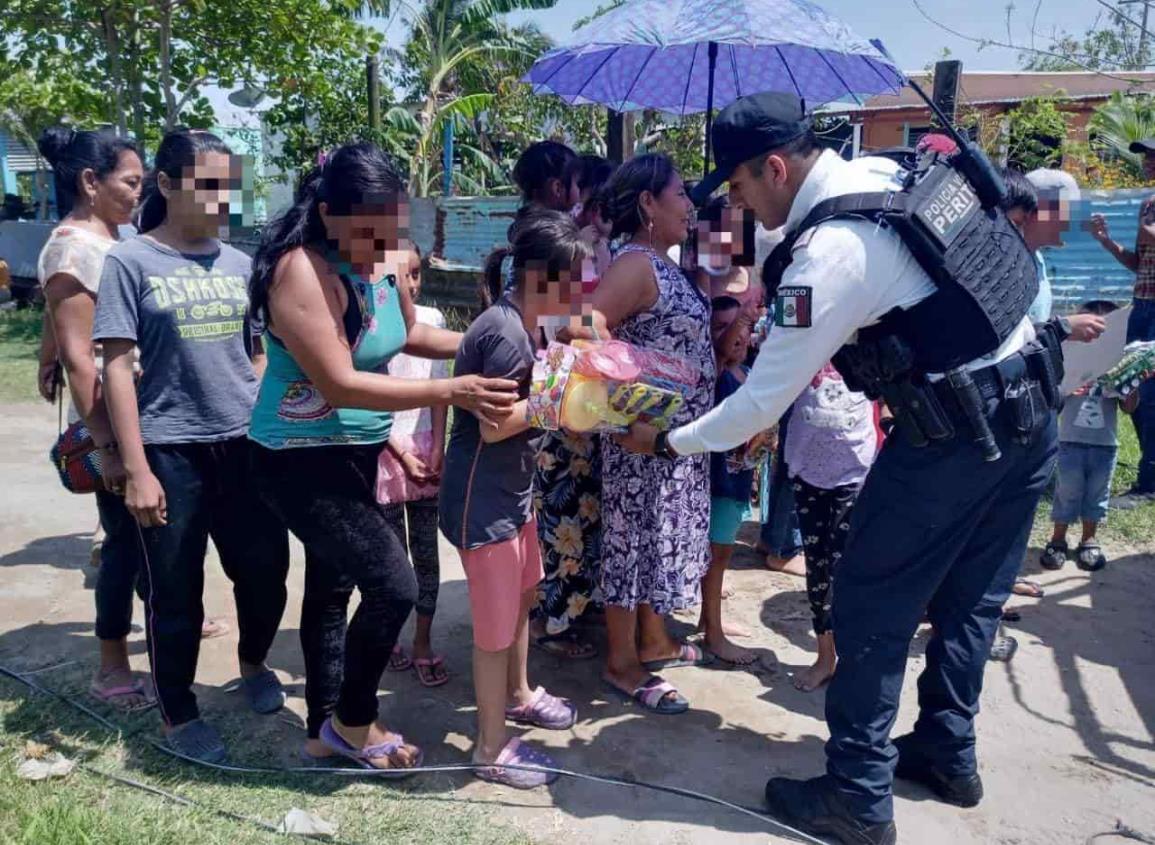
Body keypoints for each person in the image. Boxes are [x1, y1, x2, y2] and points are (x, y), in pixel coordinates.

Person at [616, 92, 1099, 844]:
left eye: (739, 187)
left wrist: (664, 442)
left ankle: (856, 794)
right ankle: (945, 749)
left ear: (774, 167)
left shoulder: (828, 255)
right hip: (1029, 416)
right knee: (969, 599)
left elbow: (758, 405)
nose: (736, 205)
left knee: (867, 604)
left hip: (953, 438)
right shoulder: (884, 170)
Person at [247, 142, 518, 772]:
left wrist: (496, 345)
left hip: (356, 450)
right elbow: (339, 381)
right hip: (297, 457)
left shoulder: (386, 260)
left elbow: (413, 333)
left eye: (395, 228)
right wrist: (451, 388)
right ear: (331, 216)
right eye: (371, 230)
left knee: (332, 585)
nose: (386, 244)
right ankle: (354, 721)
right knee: (394, 585)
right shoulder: (300, 271)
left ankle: (324, 727)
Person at [94, 129, 291, 763]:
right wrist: (135, 468)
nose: (220, 198)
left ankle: (254, 661)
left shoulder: (241, 264)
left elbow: (257, 356)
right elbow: (117, 368)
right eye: (207, 184)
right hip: (170, 449)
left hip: (244, 446)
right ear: (168, 182)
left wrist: (268, 424)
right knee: (175, 590)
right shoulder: (131, 262)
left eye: (227, 185)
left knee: (265, 571)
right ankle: (179, 712)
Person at [441, 209, 587, 788]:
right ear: (543, 277)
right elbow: (495, 427)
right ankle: (490, 747)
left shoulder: (525, 324)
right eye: (574, 278)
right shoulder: (502, 333)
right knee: (495, 629)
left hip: (513, 493)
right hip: (485, 498)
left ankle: (520, 694)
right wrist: (562, 399)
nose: (580, 290)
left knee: (525, 596)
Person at [573, 153, 715, 714]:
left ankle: (654, 641)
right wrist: (632, 395)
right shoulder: (635, 264)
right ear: (648, 204)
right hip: (642, 439)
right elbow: (586, 329)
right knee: (632, 546)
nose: (690, 204)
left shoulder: (665, 263)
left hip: (673, 442)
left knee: (657, 542)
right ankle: (621, 663)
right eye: (680, 194)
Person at [36, 127, 149, 711]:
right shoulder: (72, 248)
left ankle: (162, 623)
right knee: (124, 544)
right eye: (130, 182)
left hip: (148, 408)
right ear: (90, 182)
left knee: (153, 536)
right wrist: (108, 446)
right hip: (114, 415)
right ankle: (111, 667)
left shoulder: (116, 235)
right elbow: (83, 356)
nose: (139, 192)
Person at [527, 143, 604, 659]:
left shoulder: (551, 239)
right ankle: (553, 625)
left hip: (570, 407)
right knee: (560, 520)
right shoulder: (552, 247)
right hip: (556, 409)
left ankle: (566, 612)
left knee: (573, 513)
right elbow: (554, 327)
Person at [377, 244, 449, 687]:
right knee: (392, 559)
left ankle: (422, 641)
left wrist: (437, 447)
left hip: (426, 451)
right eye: (401, 276)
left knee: (426, 555)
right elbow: (367, 394)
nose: (411, 283)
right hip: (385, 453)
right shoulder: (371, 324)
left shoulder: (433, 322)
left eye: (417, 274)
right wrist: (400, 451)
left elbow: (441, 390)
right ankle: (389, 638)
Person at [785, 362, 878, 692]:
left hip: (854, 470)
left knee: (848, 569)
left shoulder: (867, 334)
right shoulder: (804, 330)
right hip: (807, 468)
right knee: (818, 567)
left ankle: (854, 659)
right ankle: (826, 658)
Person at [1041, 300, 1140, 572]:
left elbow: (1129, 408)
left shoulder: (1116, 365)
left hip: (1105, 445)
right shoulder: (1068, 361)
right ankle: (1057, 540)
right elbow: (1053, 401)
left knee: (1097, 495)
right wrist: (1068, 389)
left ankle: (1089, 540)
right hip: (1070, 441)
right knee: (1067, 492)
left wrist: (1130, 384)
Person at [1088, 139, 1155, 508]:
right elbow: (1140, 263)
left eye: (1152, 156)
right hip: (1143, 306)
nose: (1146, 161)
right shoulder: (1148, 206)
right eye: (1145, 155)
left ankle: (1148, 483)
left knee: (1152, 395)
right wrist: (1106, 242)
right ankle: (1150, 474)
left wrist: (1147, 229)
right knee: (1135, 390)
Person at [699, 296, 758, 666]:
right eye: (721, 328)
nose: (734, 337)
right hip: (718, 481)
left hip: (738, 478)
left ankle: (710, 619)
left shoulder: (747, 372)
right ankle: (714, 634)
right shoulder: (716, 372)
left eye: (741, 327)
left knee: (723, 551)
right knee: (717, 555)